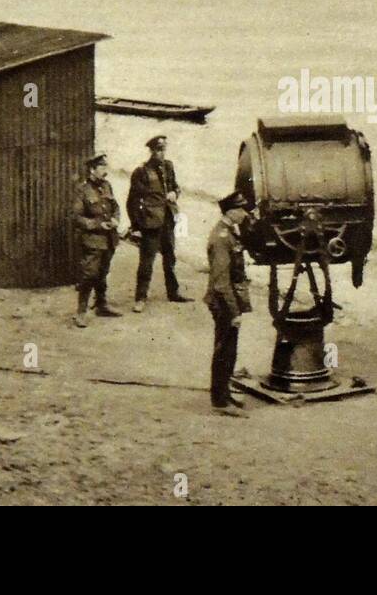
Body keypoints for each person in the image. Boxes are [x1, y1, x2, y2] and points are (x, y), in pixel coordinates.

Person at [126, 135, 190, 311]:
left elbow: (176, 187)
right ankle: (140, 298)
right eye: (159, 150)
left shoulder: (168, 167)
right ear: (152, 151)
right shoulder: (141, 172)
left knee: (170, 259)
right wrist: (137, 225)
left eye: (163, 150)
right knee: (146, 262)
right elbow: (132, 201)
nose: (161, 153)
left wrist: (175, 194)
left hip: (168, 220)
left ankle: (173, 292)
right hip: (151, 223)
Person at [204, 191, 252, 417]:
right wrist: (235, 312)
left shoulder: (229, 233)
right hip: (223, 302)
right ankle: (220, 401)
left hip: (227, 300)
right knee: (224, 351)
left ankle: (224, 393)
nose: (244, 213)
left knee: (229, 350)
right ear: (231, 211)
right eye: (241, 209)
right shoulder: (222, 239)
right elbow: (222, 283)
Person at [71, 152, 123, 327]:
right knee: (89, 274)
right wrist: (98, 225)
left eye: (106, 166)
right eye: (102, 167)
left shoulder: (107, 185)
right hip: (92, 240)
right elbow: (77, 218)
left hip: (109, 239)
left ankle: (101, 305)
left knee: (102, 273)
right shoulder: (82, 189)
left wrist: (116, 219)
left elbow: (115, 207)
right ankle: (81, 312)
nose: (105, 170)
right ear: (92, 169)